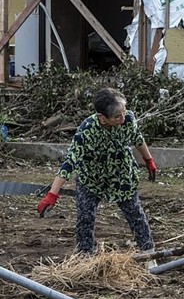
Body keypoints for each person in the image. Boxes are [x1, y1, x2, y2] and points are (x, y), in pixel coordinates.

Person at [37, 87, 158, 256]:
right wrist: (52, 194)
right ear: (102, 118)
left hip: (121, 177)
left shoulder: (128, 119)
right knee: (85, 218)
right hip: (92, 179)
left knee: (135, 214)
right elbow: (70, 162)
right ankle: (85, 257)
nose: (123, 118)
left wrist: (149, 160)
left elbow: (137, 138)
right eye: (117, 116)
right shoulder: (86, 130)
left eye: (124, 112)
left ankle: (149, 253)